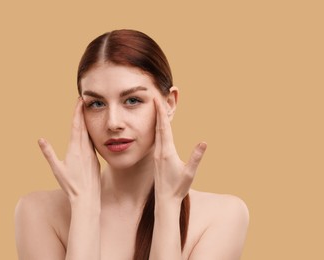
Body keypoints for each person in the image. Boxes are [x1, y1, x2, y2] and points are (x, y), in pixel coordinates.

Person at [14, 29, 249, 260]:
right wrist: (83, 206)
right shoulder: (37, 213)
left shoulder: (223, 216)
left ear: (169, 103)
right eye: (96, 104)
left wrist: (168, 205)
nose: (113, 123)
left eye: (132, 100)